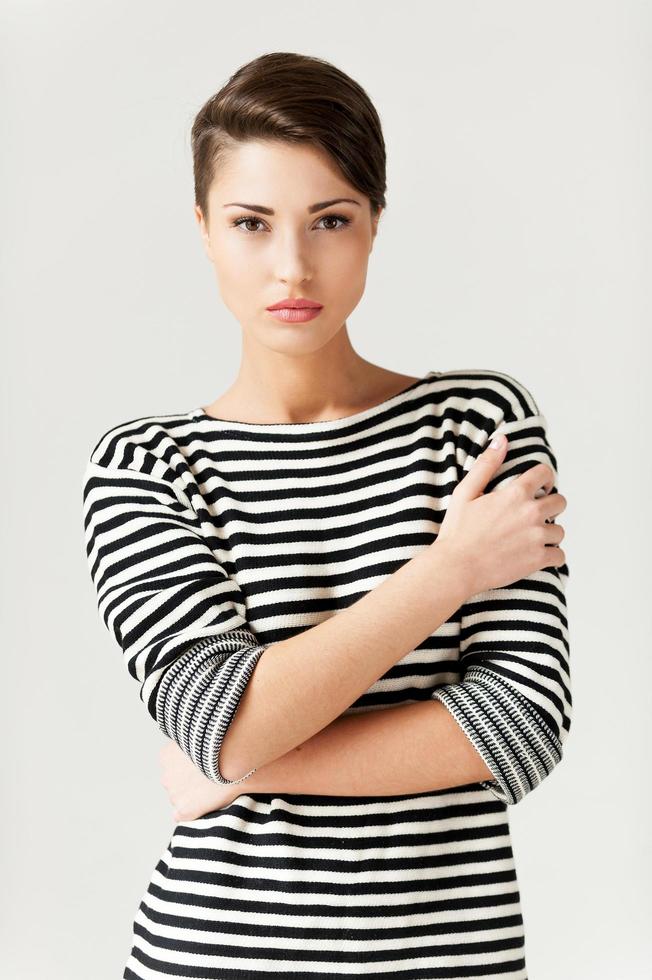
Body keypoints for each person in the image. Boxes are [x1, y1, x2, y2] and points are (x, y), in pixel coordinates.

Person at [81, 51, 571, 980]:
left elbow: (524, 722)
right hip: (214, 954)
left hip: (449, 959)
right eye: (252, 223)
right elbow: (219, 723)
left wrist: (250, 767)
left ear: (375, 223)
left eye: (330, 220)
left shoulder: (475, 424)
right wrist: (450, 571)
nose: (291, 264)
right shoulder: (147, 464)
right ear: (204, 230)